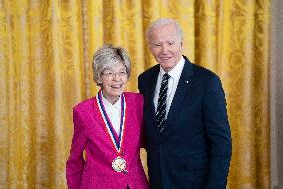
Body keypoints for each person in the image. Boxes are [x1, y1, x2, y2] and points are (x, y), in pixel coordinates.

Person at [138, 18, 232, 189]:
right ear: (150, 47)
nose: (164, 50)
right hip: (158, 180)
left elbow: (221, 143)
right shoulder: (145, 80)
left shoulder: (206, 82)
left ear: (181, 43)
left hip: (195, 182)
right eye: (157, 44)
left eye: (170, 43)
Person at [66, 45, 149, 189]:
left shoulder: (138, 103)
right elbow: (75, 160)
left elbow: (150, 142)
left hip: (134, 184)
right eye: (109, 73)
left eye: (122, 72)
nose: (117, 79)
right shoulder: (83, 111)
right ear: (99, 76)